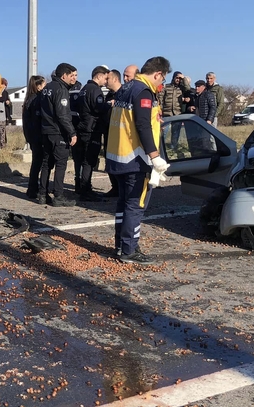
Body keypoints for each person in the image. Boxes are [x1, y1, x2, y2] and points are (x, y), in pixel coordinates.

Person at [106, 56, 172, 265]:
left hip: (119, 155)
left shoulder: (126, 88)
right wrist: (154, 156)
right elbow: (143, 125)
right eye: (162, 79)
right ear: (158, 74)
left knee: (123, 204)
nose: (161, 84)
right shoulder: (143, 91)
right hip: (136, 158)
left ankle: (121, 245)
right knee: (136, 205)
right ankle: (129, 250)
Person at [38, 63, 79, 207]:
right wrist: (72, 132)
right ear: (64, 76)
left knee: (46, 163)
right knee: (60, 164)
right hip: (58, 132)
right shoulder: (61, 90)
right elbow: (62, 115)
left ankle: (42, 194)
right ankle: (58, 196)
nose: (73, 78)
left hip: (46, 131)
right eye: (71, 75)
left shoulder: (46, 88)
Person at [73, 65, 110, 202]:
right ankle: (86, 190)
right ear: (99, 76)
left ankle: (84, 188)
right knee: (89, 161)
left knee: (83, 160)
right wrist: (109, 104)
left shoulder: (83, 89)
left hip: (83, 127)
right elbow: (98, 108)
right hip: (92, 129)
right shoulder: (95, 90)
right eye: (105, 78)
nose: (106, 82)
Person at [100, 69, 123, 198]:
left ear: (114, 79)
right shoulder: (109, 95)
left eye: (107, 79)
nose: (105, 81)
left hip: (120, 134)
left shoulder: (124, 94)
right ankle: (115, 187)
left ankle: (121, 188)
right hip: (108, 131)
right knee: (109, 160)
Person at [23, 75, 46, 199]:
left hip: (32, 135)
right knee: (38, 162)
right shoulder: (36, 100)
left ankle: (32, 188)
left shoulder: (29, 99)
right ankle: (34, 188)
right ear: (38, 87)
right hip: (37, 135)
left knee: (36, 162)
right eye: (43, 85)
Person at [159, 71, 191, 148]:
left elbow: (188, 88)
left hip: (177, 113)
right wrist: (160, 109)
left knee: (176, 132)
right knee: (163, 131)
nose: (178, 80)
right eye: (177, 78)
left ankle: (173, 147)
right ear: (173, 78)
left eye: (180, 79)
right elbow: (160, 98)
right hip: (166, 113)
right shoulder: (166, 87)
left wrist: (183, 78)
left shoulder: (182, 88)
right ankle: (160, 147)